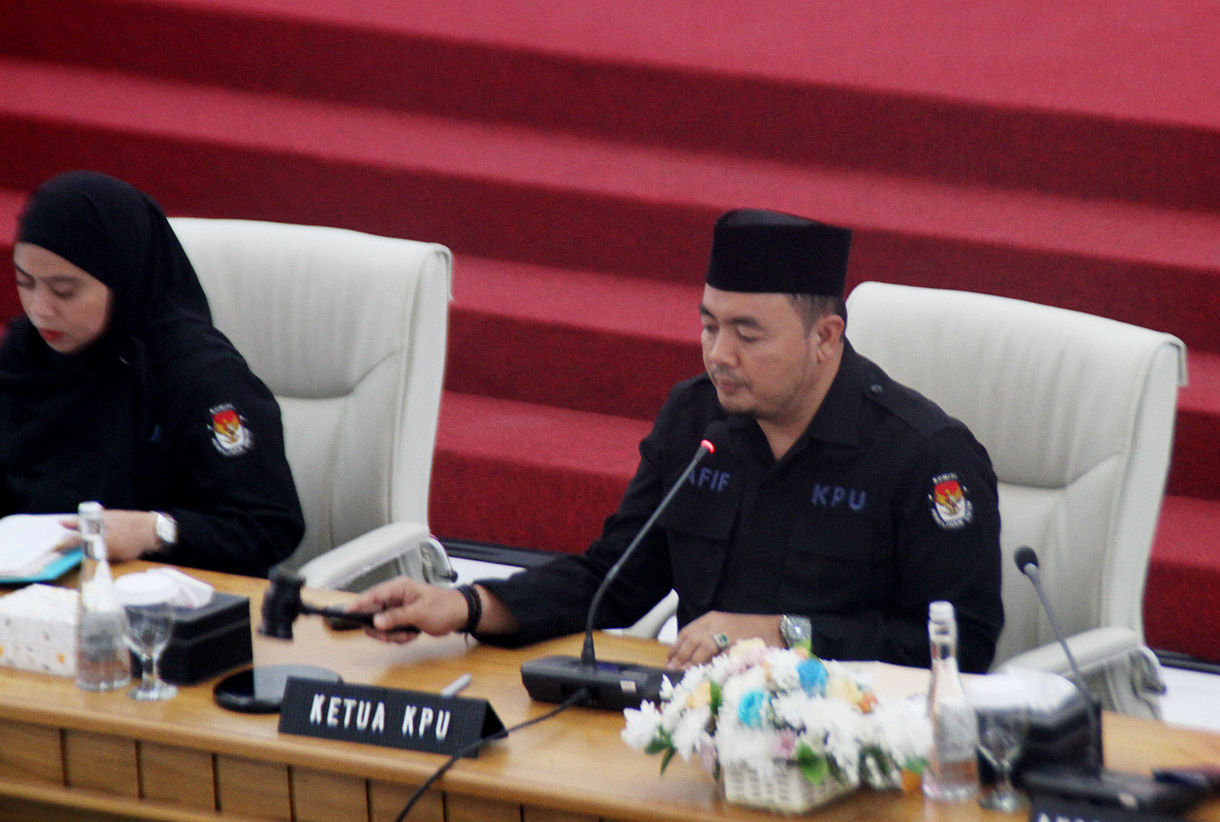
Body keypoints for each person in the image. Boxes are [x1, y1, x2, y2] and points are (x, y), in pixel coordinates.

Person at [352, 209, 1004, 673]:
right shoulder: (695, 421)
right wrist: (466, 604)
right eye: (708, 325)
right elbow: (614, 578)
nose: (719, 355)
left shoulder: (924, 456)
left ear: (825, 338)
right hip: (695, 728)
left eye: (748, 336)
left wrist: (786, 635)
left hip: (856, 742)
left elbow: (962, 645)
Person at [0, 171, 304, 576]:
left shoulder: (200, 375)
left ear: (123, 277)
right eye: (25, 282)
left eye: (64, 291)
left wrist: (155, 530)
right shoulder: (26, 352)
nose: (40, 309)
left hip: (162, 605)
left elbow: (269, 525)